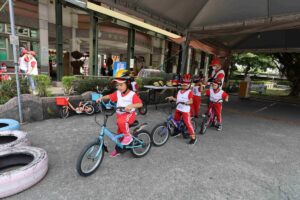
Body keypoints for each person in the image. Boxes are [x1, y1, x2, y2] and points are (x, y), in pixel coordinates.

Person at [96, 69, 143, 157]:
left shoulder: (132, 94)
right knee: (119, 134)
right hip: (120, 115)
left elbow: (140, 104)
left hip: (129, 115)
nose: (119, 87)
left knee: (121, 123)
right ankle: (118, 149)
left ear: (127, 84)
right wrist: (101, 98)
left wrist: (131, 106)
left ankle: (128, 137)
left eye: (121, 85)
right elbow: (109, 96)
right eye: (117, 85)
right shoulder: (118, 93)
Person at [166, 74, 197, 145]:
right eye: (183, 85)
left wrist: (186, 102)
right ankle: (177, 131)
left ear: (189, 85)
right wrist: (172, 98)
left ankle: (193, 137)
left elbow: (191, 101)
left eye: (186, 85)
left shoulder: (189, 92)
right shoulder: (179, 92)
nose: (184, 86)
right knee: (175, 121)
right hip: (178, 108)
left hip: (185, 110)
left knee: (188, 123)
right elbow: (177, 99)